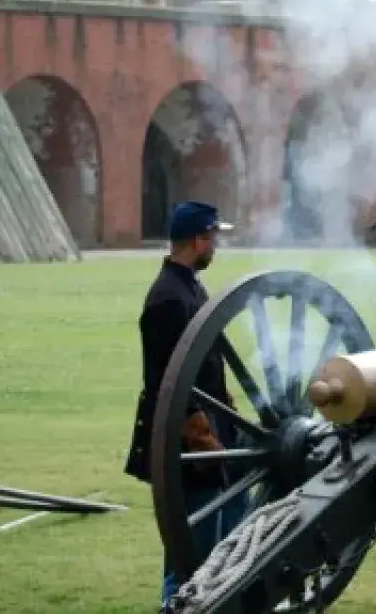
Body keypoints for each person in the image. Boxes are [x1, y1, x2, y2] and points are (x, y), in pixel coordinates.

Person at [121, 200, 249, 610]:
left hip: (215, 430)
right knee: (188, 553)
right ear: (198, 240)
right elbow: (164, 382)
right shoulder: (168, 299)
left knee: (228, 535)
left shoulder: (190, 286)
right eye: (214, 238)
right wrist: (200, 437)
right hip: (191, 441)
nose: (217, 246)